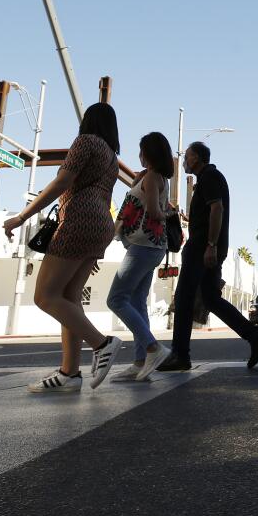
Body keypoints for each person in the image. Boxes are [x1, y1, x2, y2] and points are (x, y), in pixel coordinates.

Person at [4, 102, 123, 393]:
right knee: (69, 298)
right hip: (101, 224)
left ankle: (102, 344)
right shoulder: (112, 158)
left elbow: (62, 182)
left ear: (88, 122)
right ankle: (69, 374)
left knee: (45, 296)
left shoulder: (85, 142)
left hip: (79, 219)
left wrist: (22, 216)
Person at [158, 143, 258, 371]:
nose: (183, 161)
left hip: (202, 248)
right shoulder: (210, 178)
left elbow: (217, 209)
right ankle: (255, 336)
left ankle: (181, 355)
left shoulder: (210, 176)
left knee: (183, 297)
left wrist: (210, 245)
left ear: (198, 158)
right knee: (210, 298)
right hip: (207, 247)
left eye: (187, 157)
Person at [107, 132, 175, 382]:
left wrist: (168, 214)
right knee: (136, 302)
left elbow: (156, 213)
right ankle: (139, 363)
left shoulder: (153, 178)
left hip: (143, 247)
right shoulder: (154, 178)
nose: (139, 154)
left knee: (116, 299)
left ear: (149, 153)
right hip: (152, 247)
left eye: (142, 150)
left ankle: (152, 349)